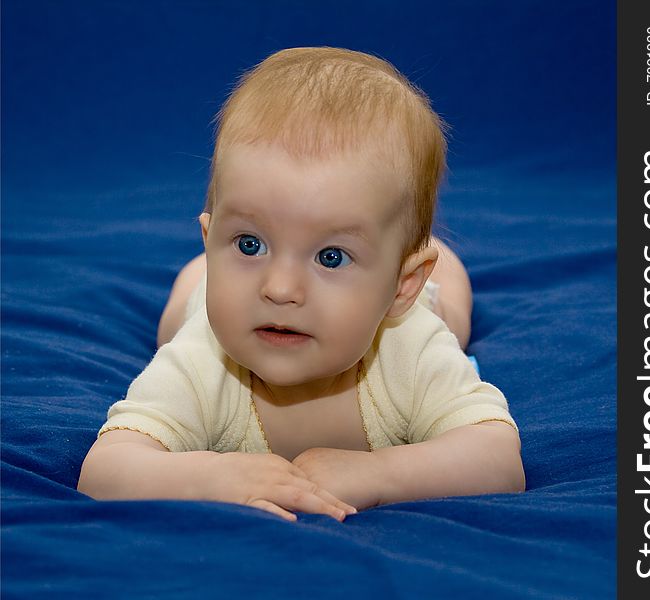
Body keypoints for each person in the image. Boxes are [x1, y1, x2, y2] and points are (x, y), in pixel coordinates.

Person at [78, 47, 524, 522]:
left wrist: (380, 473)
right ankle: (214, 267)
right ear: (211, 240)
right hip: (208, 299)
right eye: (249, 243)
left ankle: (416, 262)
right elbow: (104, 470)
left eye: (331, 257)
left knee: (451, 314)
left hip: (405, 313)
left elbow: (498, 460)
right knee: (179, 315)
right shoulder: (201, 360)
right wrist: (210, 476)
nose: (281, 288)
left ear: (402, 284)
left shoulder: (410, 351)